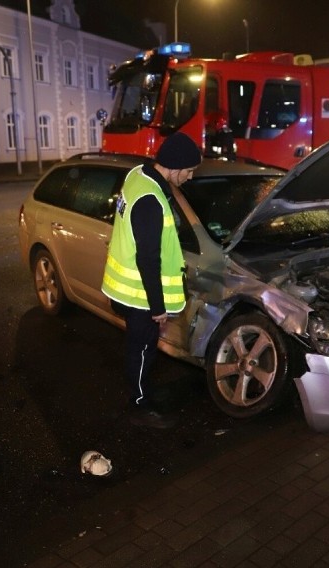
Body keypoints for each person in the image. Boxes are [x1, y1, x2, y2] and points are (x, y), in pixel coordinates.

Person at [101, 132, 202, 428]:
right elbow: (148, 258)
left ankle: (140, 394)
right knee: (143, 349)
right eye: (190, 171)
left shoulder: (138, 176)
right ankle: (140, 405)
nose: (191, 177)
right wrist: (158, 307)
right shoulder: (151, 200)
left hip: (125, 289)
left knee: (137, 348)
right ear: (175, 166)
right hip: (140, 296)